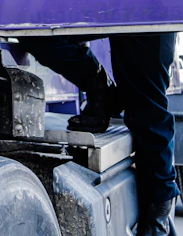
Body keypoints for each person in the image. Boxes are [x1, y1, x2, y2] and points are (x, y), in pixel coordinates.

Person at [19, 33, 179, 236]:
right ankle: (101, 89)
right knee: (35, 31)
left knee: (147, 110)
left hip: (146, 9)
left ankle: (158, 223)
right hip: (114, 5)